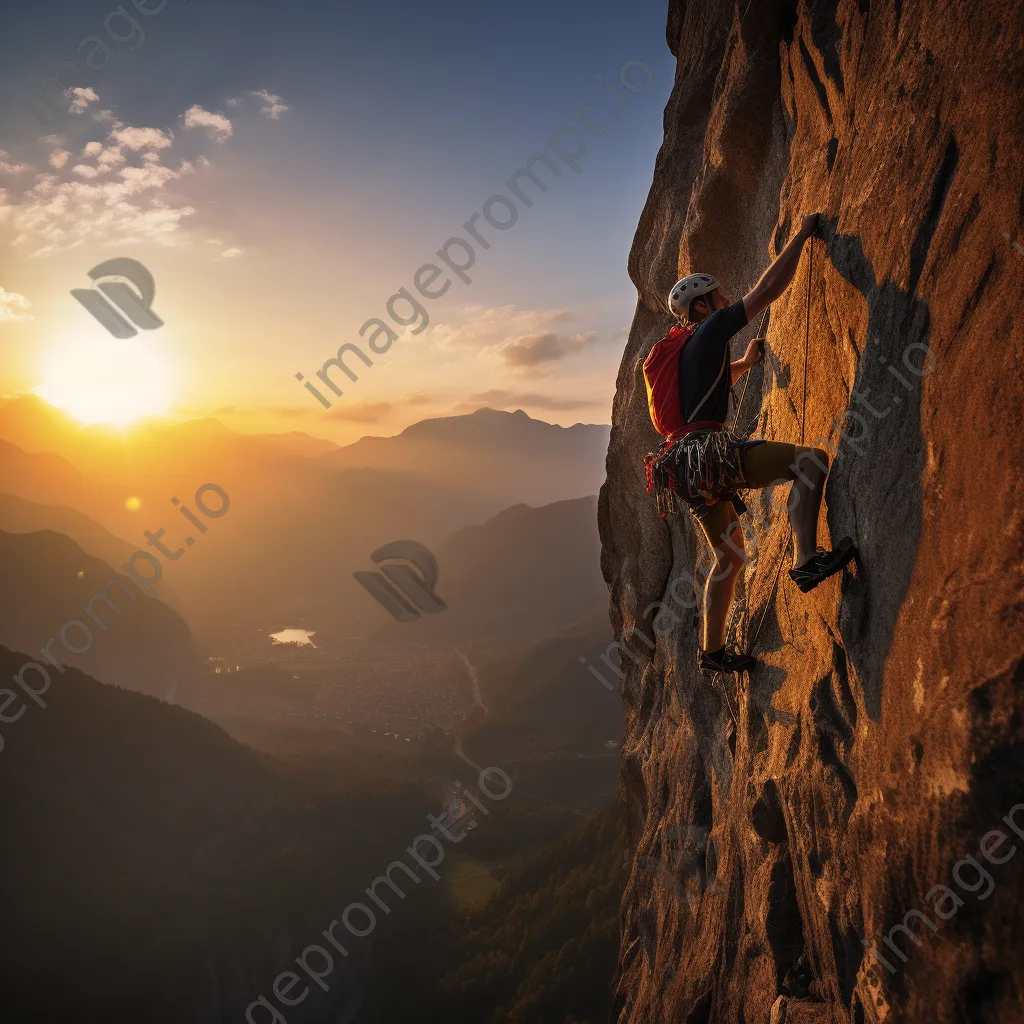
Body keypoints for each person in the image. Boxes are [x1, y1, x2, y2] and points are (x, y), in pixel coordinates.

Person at [642, 212, 856, 675]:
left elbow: (704, 390)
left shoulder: (683, 352)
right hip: (709, 457)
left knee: (730, 553)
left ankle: (712, 652)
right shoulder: (712, 326)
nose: (723, 299)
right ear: (701, 306)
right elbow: (765, 293)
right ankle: (805, 560)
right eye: (715, 295)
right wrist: (800, 237)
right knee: (812, 462)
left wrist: (742, 363)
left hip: (681, 469)